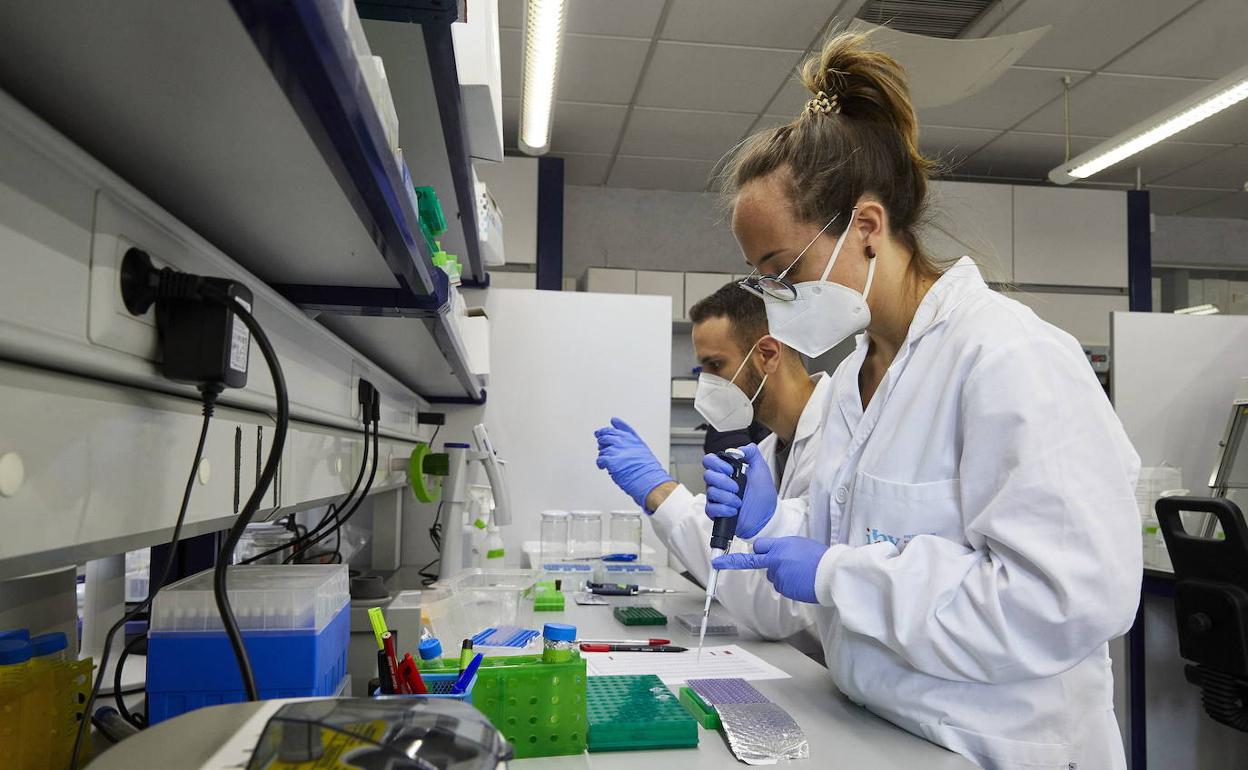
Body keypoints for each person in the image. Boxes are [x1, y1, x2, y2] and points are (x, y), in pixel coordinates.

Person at [705, 31, 1141, 770]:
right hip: (881, 732)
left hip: (998, 748)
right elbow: (858, 547)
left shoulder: (1009, 358)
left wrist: (833, 573)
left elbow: (1063, 601)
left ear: (867, 228)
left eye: (783, 269)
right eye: (761, 279)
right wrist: (775, 525)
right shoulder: (850, 384)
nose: (775, 299)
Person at [594, 282, 829, 640]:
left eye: (716, 365)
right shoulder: (768, 452)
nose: (707, 383)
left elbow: (779, 608)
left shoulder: (840, 441)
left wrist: (663, 494)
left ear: (767, 354)